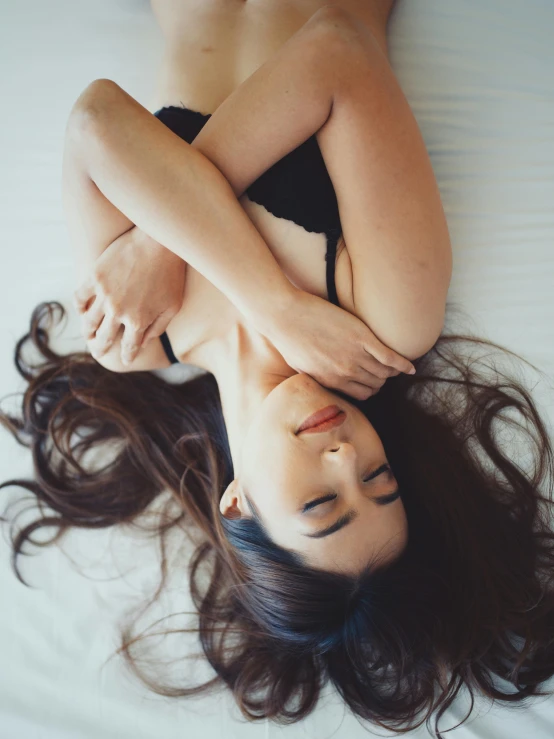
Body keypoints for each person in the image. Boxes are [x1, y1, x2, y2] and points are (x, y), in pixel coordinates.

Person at [2, 3, 553, 737]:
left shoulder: (131, 338)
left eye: (322, 502)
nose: (343, 454)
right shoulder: (389, 322)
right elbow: (336, 48)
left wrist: (176, 252)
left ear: (237, 505)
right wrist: (256, 293)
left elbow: (95, 120)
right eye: (377, 479)